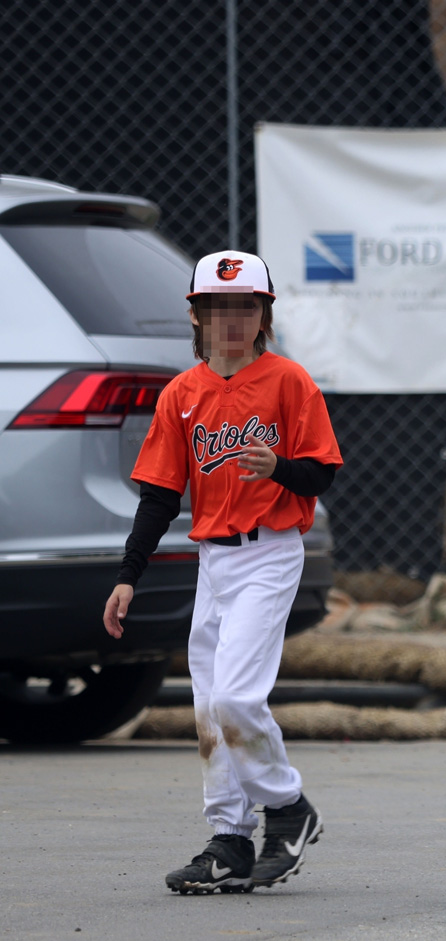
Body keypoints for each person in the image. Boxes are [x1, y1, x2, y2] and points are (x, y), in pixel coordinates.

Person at [103, 250, 342, 895]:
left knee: (237, 696)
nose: (231, 319)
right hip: (214, 561)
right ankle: (229, 840)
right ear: (196, 316)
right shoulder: (182, 394)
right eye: (217, 307)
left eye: (245, 307)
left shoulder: (290, 382)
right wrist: (129, 573)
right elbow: (158, 495)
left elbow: (321, 469)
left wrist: (280, 469)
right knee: (209, 706)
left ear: (264, 315)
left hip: (269, 553)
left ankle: (288, 807)